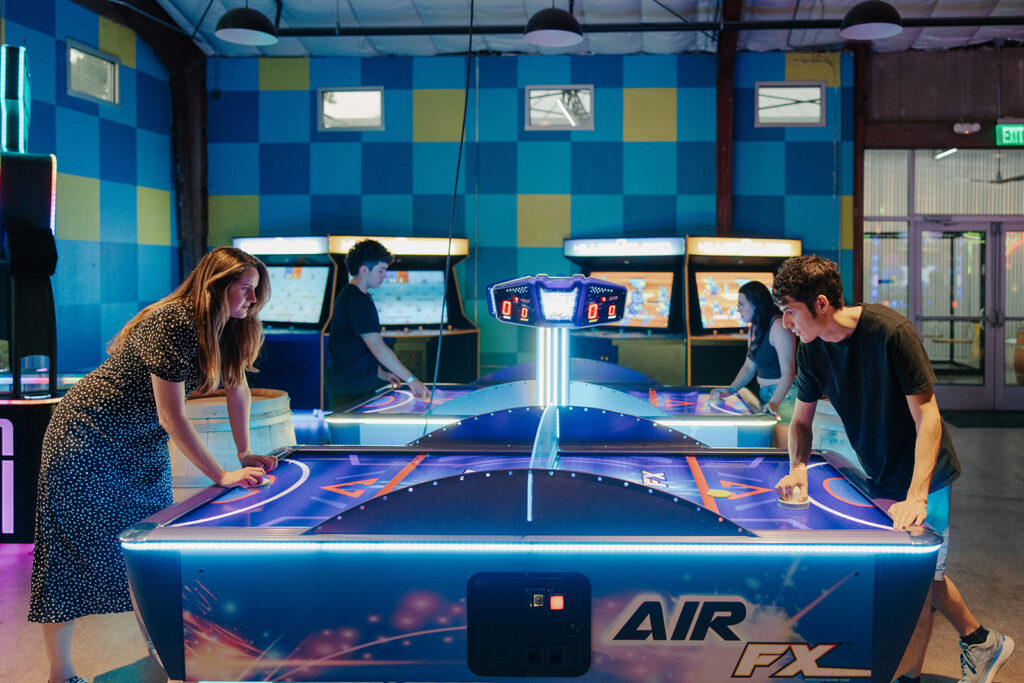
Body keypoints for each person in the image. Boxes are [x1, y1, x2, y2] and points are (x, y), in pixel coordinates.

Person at [29, 246, 280, 683]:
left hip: (140, 444)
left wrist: (243, 451)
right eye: (245, 290)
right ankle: (59, 673)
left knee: (153, 545)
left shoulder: (232, 325)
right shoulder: (174, 321)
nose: (252, 300)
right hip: (86, 435)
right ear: (216, 287)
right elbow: (171, 414)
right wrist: (220, 474)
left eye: (255, 291)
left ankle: (165, 652)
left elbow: (237, 385)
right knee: (66, 556)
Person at [771, 255, 1013, 683]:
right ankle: (981, 642)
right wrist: (798, 468)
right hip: (879, 471)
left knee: (917, 582)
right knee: (921, 576)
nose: (787, 324)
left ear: (821, 304)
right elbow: (801, 421)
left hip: (925, 471)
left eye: (790, 312)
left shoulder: (891, 332)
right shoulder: (812, 352)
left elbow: (929, 419)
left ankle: (908, 676)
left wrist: (917, 494)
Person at [327, 239, 429, 410]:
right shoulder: (356, 300)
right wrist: (412, 380)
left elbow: (353, 347)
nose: (385, 276)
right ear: (364, 270)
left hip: (353, 383)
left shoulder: (356, 296)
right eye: (381, 270)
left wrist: (381, 374)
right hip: (350, 389)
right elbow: (377, 347)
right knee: (350, 437)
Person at [710, 280, 797, 447]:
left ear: (755, 304)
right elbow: (749, 366)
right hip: (766, 395)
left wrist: (775, 402)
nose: (738, 309)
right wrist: (730, 389)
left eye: (741, 304)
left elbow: (789, 371)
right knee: (772, 450)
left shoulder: (778, 325)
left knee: (784, 453)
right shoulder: (754, 328)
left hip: (786, 397)